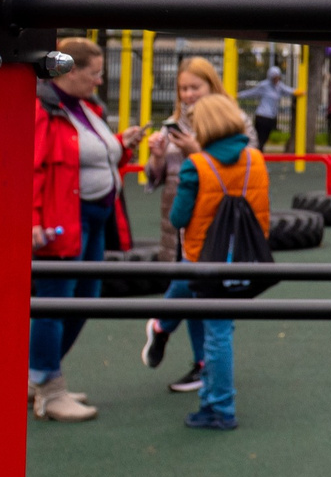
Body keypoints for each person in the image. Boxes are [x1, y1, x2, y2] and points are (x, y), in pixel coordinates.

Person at [28, 37, 144, 422]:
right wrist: (33, 220)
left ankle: (38, 373)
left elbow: (98, 158)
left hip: (94, 217)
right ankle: (48, 386)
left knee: (87, 296)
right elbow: (35, 167)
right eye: (93, 73)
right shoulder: (44, 108)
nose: (98, 81)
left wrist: (122, 145)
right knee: (56, 303)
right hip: (64, 220)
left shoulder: (87, 108)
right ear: (69, 71)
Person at [165, 91, 268, 431]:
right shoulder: (255, 159)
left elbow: (179, 218)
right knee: (220, 328)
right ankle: (211, 398)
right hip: (245, 257)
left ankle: (221, 407)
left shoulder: (197, 166)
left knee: (217, 334)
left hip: (206, 260)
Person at [139, 56, 227, 394]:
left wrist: (197, 150)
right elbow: (153, 176)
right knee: (188, 280)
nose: (189, 95)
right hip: (178, 210)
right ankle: (200, 362)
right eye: (183, 89)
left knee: (198, 282)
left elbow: (243, 159)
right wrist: (158, 156)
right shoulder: (173, 122)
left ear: (211, 87)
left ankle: (163, 326)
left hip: (213, 211)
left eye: (195, 87)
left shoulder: (227, 119)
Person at [249, 59, 289, 149]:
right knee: (259, 138)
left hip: (270, 117)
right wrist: (237, 94)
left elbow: (288, 90)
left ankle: (258, 154)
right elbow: (251, 92)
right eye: (274, 77)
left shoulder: (279, 86)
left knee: (264, 138)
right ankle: (257, 155)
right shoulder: (264, 85)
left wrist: (299, 92)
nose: (276, 80)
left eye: (278, 77)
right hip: (262, 116)